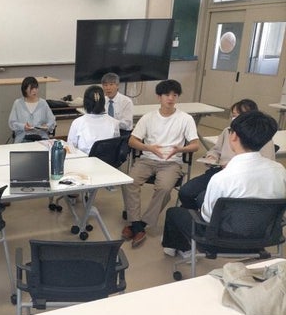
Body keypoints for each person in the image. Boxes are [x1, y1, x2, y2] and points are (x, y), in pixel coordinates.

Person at [162, 110, 286, 255]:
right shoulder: (280, 171)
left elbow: (207, 217)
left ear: (233, 136)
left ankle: (182, 248)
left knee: (174, 212)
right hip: (264, 237)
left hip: (221, 241)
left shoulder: (222, 178)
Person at [121, 79, 199, 248]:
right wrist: (148, 147)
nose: (170, 98)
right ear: (159, 97)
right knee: (129, 182)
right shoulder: (148, 118)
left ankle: (140, 225)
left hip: (171, 162)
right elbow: (132, 141)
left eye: (174, 95)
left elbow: (195, 145)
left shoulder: (185, 119)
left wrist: (180, 149)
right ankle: (135, 223)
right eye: (167, 95)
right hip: (147, 159)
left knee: (164, 188)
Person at [178, 99, 276, 210]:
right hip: (220, 170)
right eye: (233, 115)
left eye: (240, 115)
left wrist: (233, 165)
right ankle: (193, 215)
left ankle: (202, 217)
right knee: (186, 192)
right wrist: (212, 156)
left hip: (243, 177)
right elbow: (216, 150)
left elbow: (264, 164)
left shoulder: (262, 138)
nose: (235, 119)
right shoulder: (228, 131)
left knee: (204, 199)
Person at [67, 85, 120, 155]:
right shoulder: (114, 123)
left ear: (85, 103)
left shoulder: (77, 122)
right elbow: (115, 147)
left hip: (83, 161)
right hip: (107, 161)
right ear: (103, 102)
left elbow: (70, 149)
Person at [8, 76, 56, 143]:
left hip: (41, 137)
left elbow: (52, 121)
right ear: (25, 89)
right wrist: (23, 126)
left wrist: (47, 126)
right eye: (31, 88)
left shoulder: (43, 103)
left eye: (36, 88)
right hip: (23, 138)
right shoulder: (18, 103)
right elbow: (12, 123)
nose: (34, 91)